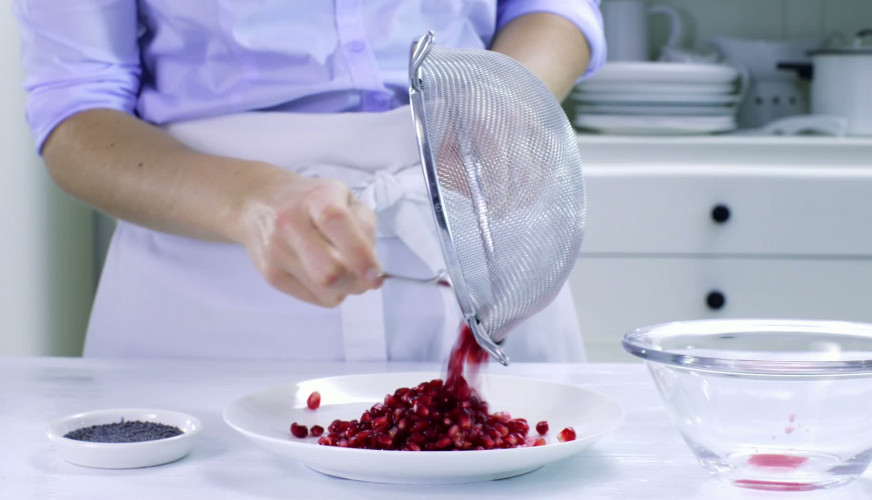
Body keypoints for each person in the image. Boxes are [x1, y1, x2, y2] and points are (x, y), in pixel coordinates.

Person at [14, 1, 606, 362]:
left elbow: (552, 6)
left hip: (474, 219)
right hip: (212, 263)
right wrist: (248, 202)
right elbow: (76, 115)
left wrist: (506, 97)